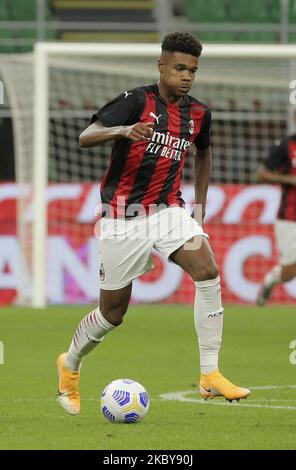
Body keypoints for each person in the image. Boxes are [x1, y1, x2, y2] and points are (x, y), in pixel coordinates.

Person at [57, 32, 250, 415]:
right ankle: (70, 364)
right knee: (113, 313)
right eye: (179, 67)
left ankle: (210, 374)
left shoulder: (198, 113)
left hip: (167, 210)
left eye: (193, 70)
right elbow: (86, 136)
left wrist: (199, 206)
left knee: (208, 270)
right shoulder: (135, 101)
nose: (187, 76)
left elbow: (204, 152)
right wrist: (122, 130)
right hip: (123, 217)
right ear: (160, 65)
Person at [256, 126, 296, 305]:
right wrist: (290, 180)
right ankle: (269, 281)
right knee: (289, 273)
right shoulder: (286, 145)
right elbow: (261, 174)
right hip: (290, 217)